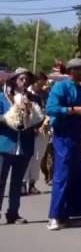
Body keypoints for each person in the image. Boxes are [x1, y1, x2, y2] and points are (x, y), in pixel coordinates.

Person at [45, 58, 81, 229]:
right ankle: (55, 216)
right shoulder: (61, 87)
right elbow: (50, 108)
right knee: (62, 176)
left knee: (74, 176)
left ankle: (67, 214)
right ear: (74, 71)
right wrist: (74, 110)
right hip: (64, 135)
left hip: (79, 133)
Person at [1, 69, 44, 224]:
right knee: (0, 180)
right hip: (5, 145)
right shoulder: (3, 97)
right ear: (14, 80)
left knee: (17, 182)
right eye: (21, 78)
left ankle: (13, 213)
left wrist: (31, 115)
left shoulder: (34, 99)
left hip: (25, 145)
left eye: (26, 79)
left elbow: (40, 118)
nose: (24, 81)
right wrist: (8, 119)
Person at [24, 72, 49, 196]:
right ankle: (22, 184)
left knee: (37, 158)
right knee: (26, 158)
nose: (44, 84)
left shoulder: (43, 95)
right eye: (41, 81)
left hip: (41, 130)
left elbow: (46, 111)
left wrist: (44, 124)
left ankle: (32, 184)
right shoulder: (26, 94)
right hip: (27, 130)